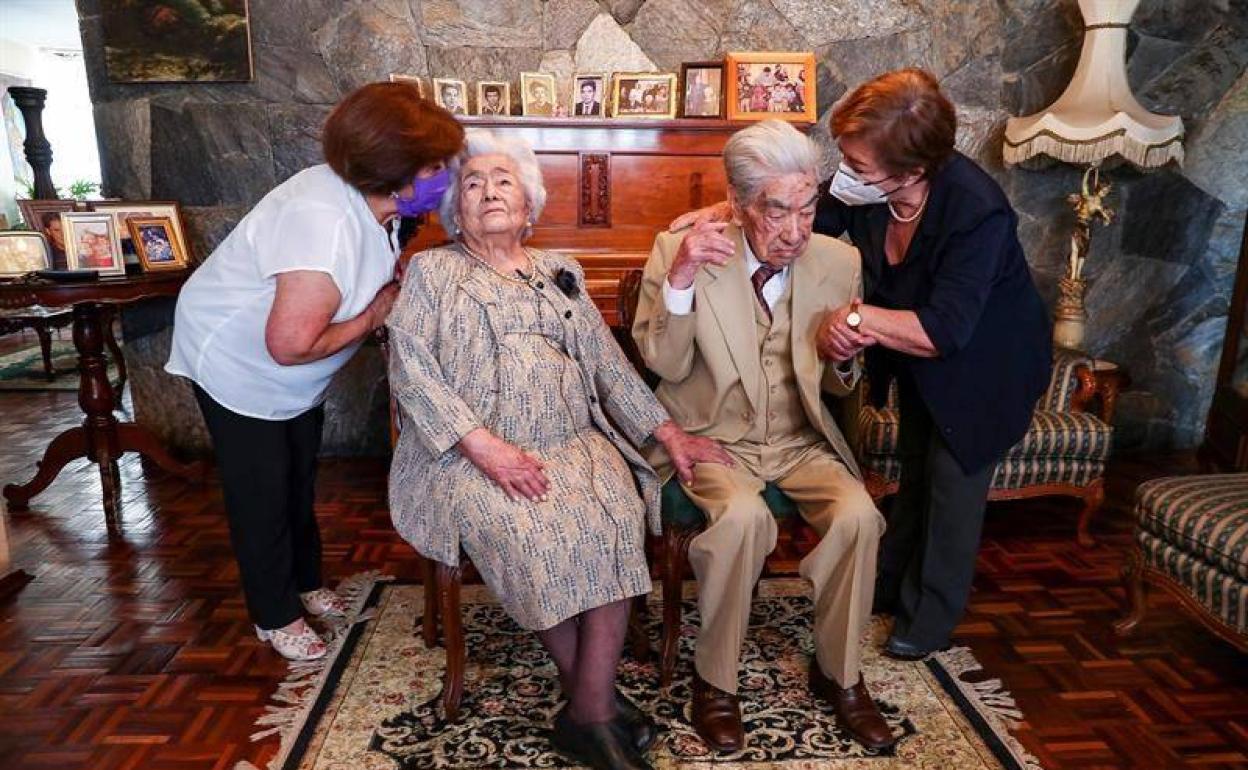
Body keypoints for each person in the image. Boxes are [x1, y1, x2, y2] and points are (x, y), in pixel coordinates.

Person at [672, 68, 1052, 661]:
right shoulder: (867, 185)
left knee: (953, 486)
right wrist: (712, 218)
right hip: (918, 359)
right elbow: (791, 215)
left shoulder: (977, 212)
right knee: (915, 471)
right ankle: (886, 585)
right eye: (845, 157)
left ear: (911, 171)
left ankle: (929, 618)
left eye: (859, 165)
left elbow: (944, 330)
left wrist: (850, 323)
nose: (844, 172)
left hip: (985, 365)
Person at [387, 129, 730, 770]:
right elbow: (410, 369)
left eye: (503, 181)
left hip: (574, 444)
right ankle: (596, 710)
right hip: (467, 454)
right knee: (539, 535)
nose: (488, 191)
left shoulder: (561, 271)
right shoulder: (433, 271)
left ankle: (587, 706)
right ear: (454, 209)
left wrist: (668, 432)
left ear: (529, 203)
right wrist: (483, 446)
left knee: (612, 520)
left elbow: (608, 366)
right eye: (472, 183)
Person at [165, 83, 464, 662]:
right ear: (393, 170)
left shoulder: (382, 206)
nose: (444, 175)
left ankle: (303, 582)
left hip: (292, 373)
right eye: (433, 166)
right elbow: (289, 345)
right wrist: (376, 314)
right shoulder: (321, 224)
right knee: (263, 491)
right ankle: (273, 614)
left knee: (298, 476)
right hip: (238, 362)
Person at [634, 120, 895, 753]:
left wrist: (841, 359)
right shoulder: (685, 251)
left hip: (801, 440)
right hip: (712, 438)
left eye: (808, 209)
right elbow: (662, 365)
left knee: (860, 516)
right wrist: (682, 282)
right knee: (745, 520)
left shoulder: (840, 262)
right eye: (779, 212)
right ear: (740, 203)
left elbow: (838, 387)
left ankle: (841, 675)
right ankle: (714, 683)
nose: (796, 230)